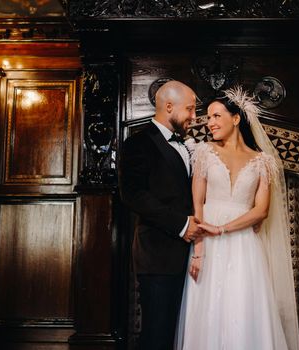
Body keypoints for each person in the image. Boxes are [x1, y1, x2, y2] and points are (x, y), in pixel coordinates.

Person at [175, 86, 299, 350]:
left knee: (243, 306)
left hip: (244, 244)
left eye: (216, 116)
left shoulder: (262, 161)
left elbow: (261, 210)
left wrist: (222, 228)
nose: (210, 123)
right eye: (208, 117)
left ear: (236, 118)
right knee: (208, 308)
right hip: (206, 244)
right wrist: (198, 250)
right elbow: (197, 203)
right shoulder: (204, 152)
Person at [119, 80, 208, 350]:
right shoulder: (139, 143)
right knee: (158, 334)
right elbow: (133, 194)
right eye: (190, 109)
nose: (194, 117)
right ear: (169, 106)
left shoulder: (189, 145)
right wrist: (182, 225)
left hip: (192, 256)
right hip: (158, 254)